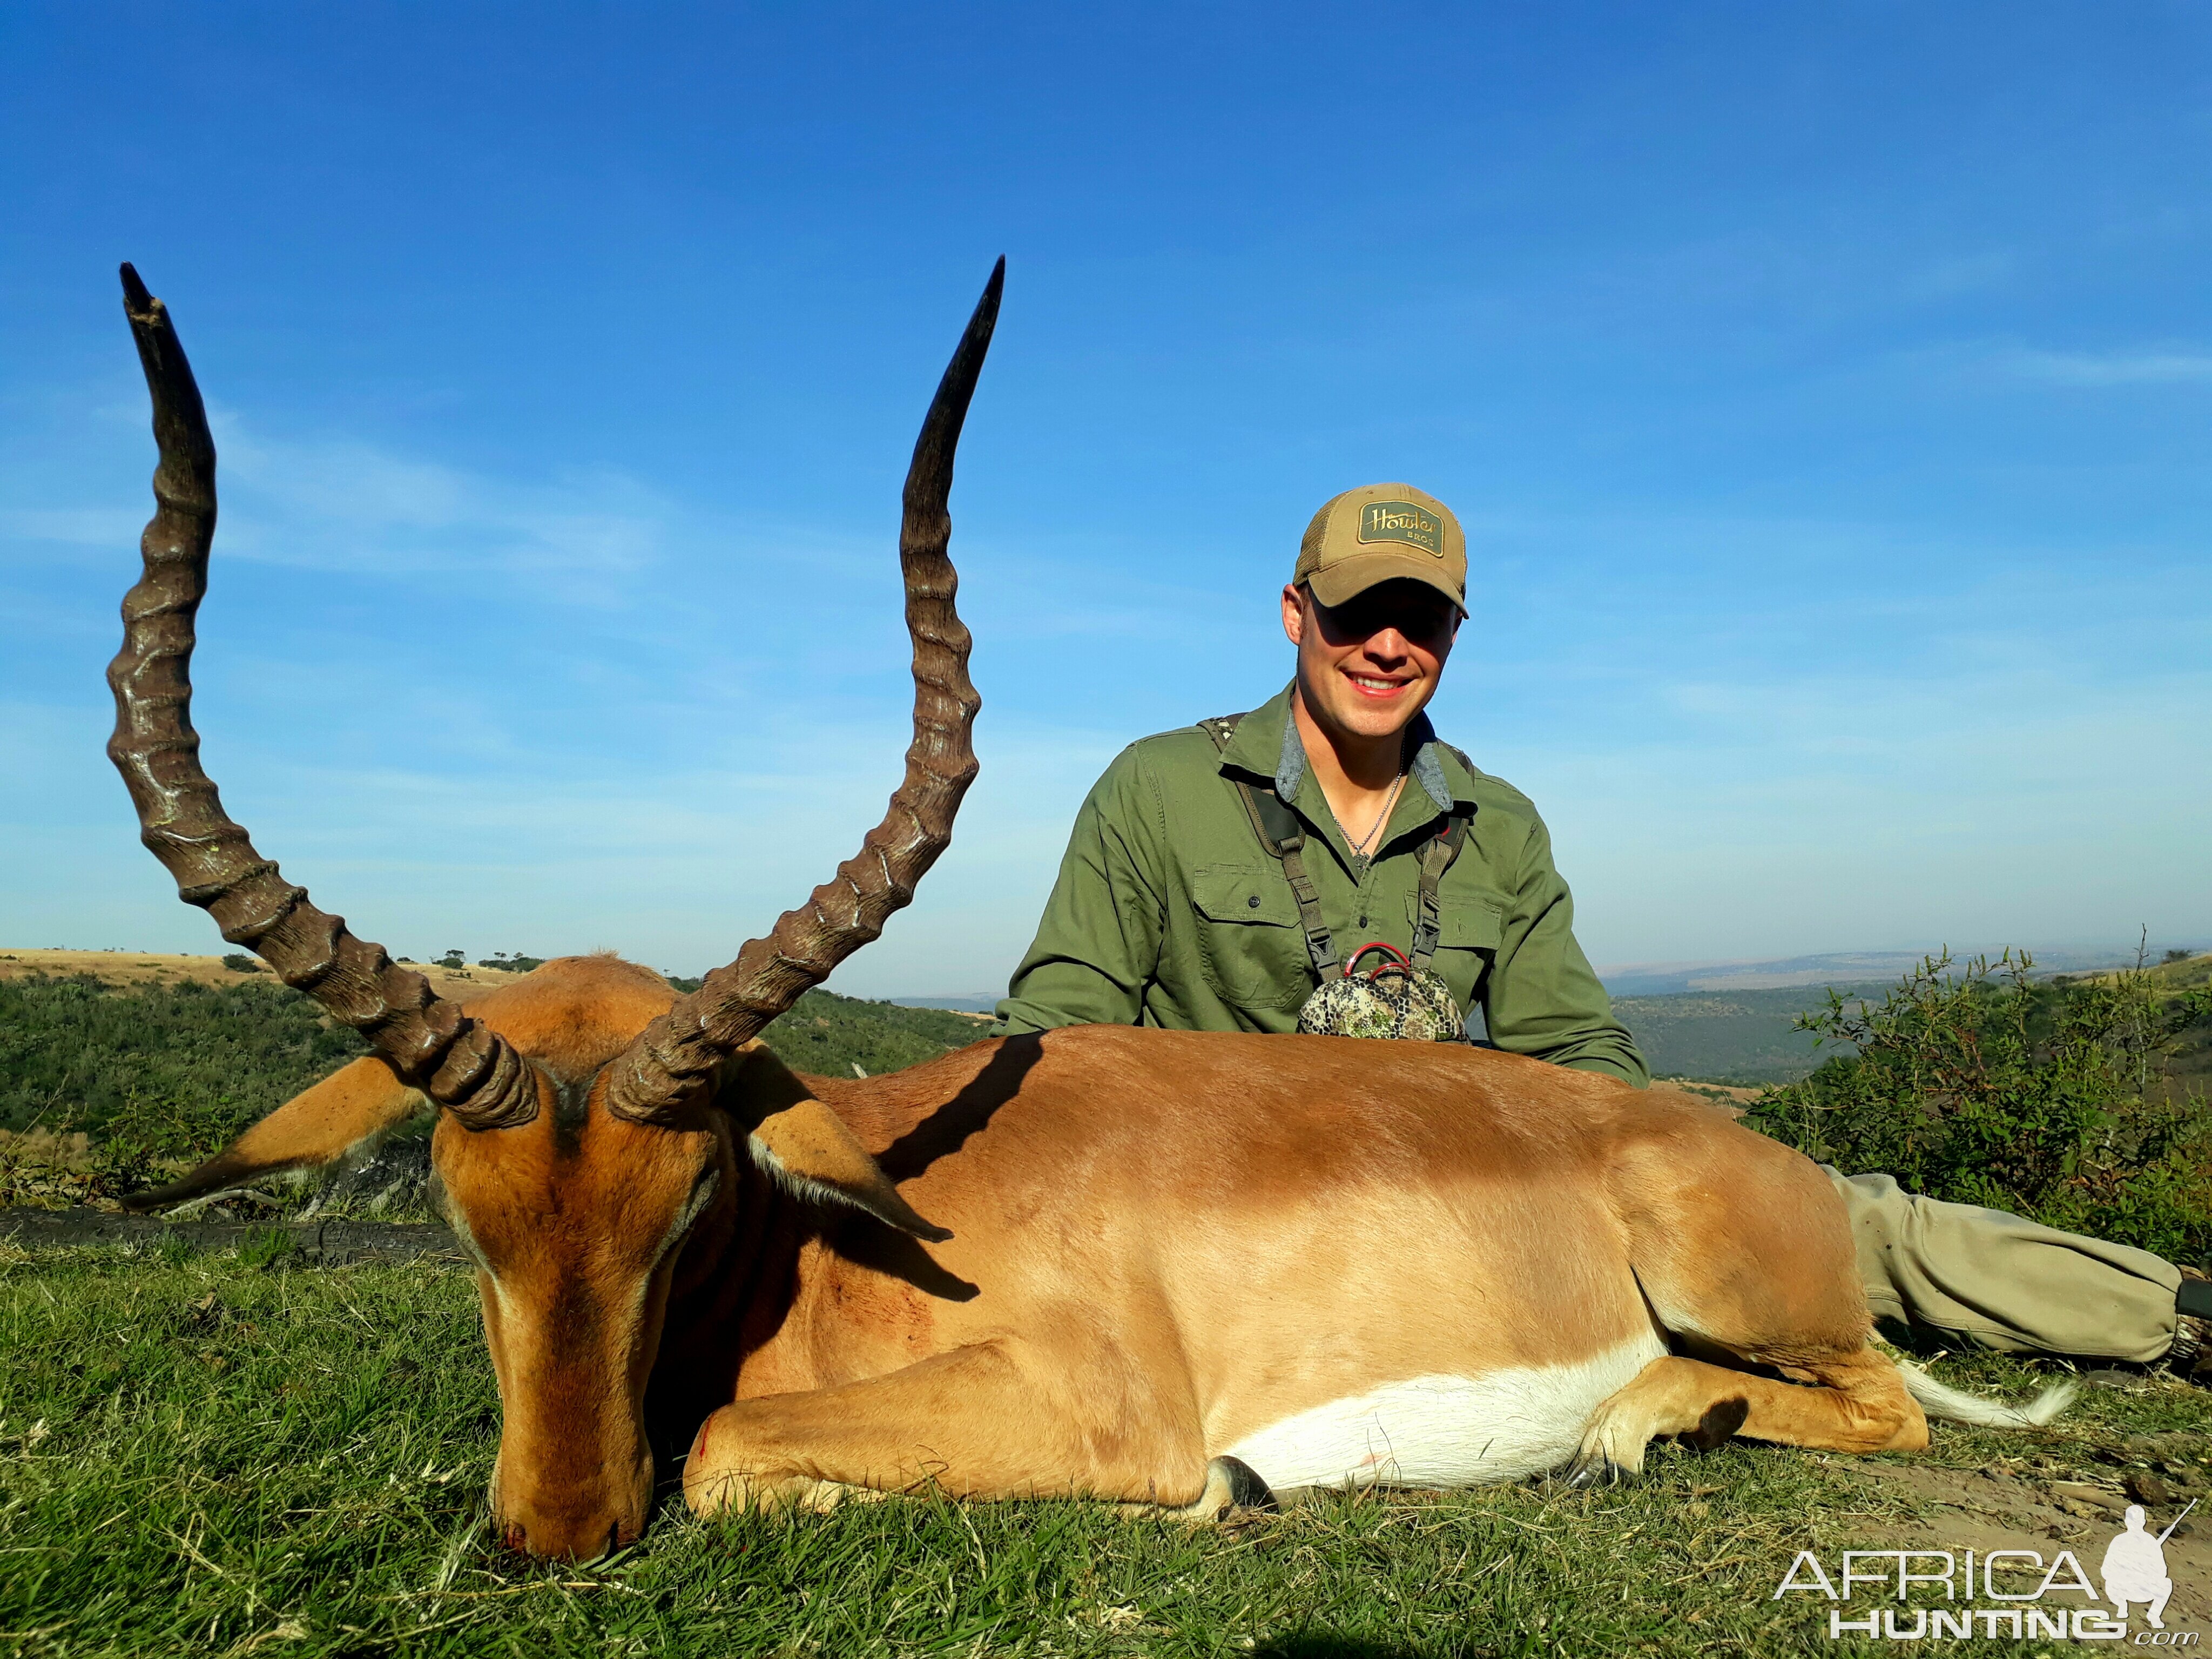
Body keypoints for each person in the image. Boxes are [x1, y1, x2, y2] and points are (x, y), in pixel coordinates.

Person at [996, 482, 2208, 1371]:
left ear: (1453, 636)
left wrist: (1652, 1163)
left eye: (1419, 619)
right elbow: (1052, 1039)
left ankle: (2170, 1310)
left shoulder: (1499, 822)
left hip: (1450, 1189)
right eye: (1356, 611)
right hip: (1231, 1211)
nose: (1385, 644)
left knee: (1825, 1213)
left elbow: (1574, 1047)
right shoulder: (1157, 788)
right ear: (1293, 613)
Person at [2101, 1505, 2175, 1629]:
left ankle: (2123, 1606)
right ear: (2144, 1522)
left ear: (2126, 1522)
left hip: (2123, 1590)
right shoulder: (2150, 1541)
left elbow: (2106, 1569)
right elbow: (2163, 1571)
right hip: (2142, 1590)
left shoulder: (2119, 1540)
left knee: (2110, 1582)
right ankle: (2153, 1615)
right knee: (2166, 1584)